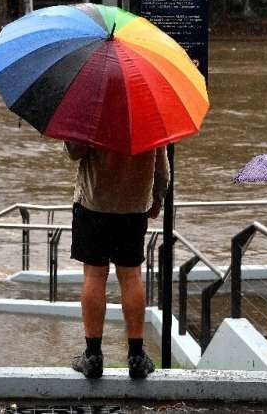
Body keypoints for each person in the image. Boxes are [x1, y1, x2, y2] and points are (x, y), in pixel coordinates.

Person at [64, 141, 169, 379]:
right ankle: (136, 356)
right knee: (132, 277)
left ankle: (92, 357)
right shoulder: (149, 112)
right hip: (134, 206)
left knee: (93, 274)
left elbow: (74, 152)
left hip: (93, 203)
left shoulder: (92, 108)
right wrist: (158, 197)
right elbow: (161, 165)